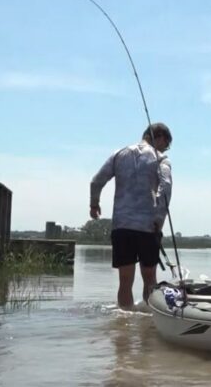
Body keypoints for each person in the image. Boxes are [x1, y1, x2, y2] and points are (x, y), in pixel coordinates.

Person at [89, 123, 173, 309]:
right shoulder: (161, 160)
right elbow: (165, 189)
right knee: (150, 279)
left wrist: (94, 204)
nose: (164, 149)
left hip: (122, 226)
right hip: (148, 227)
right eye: (165, 145)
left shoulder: (119, 154)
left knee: (125, 281)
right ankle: (149, 323)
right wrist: (159, 219)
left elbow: (96, 181)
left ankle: (123, 329)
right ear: (158, 137)